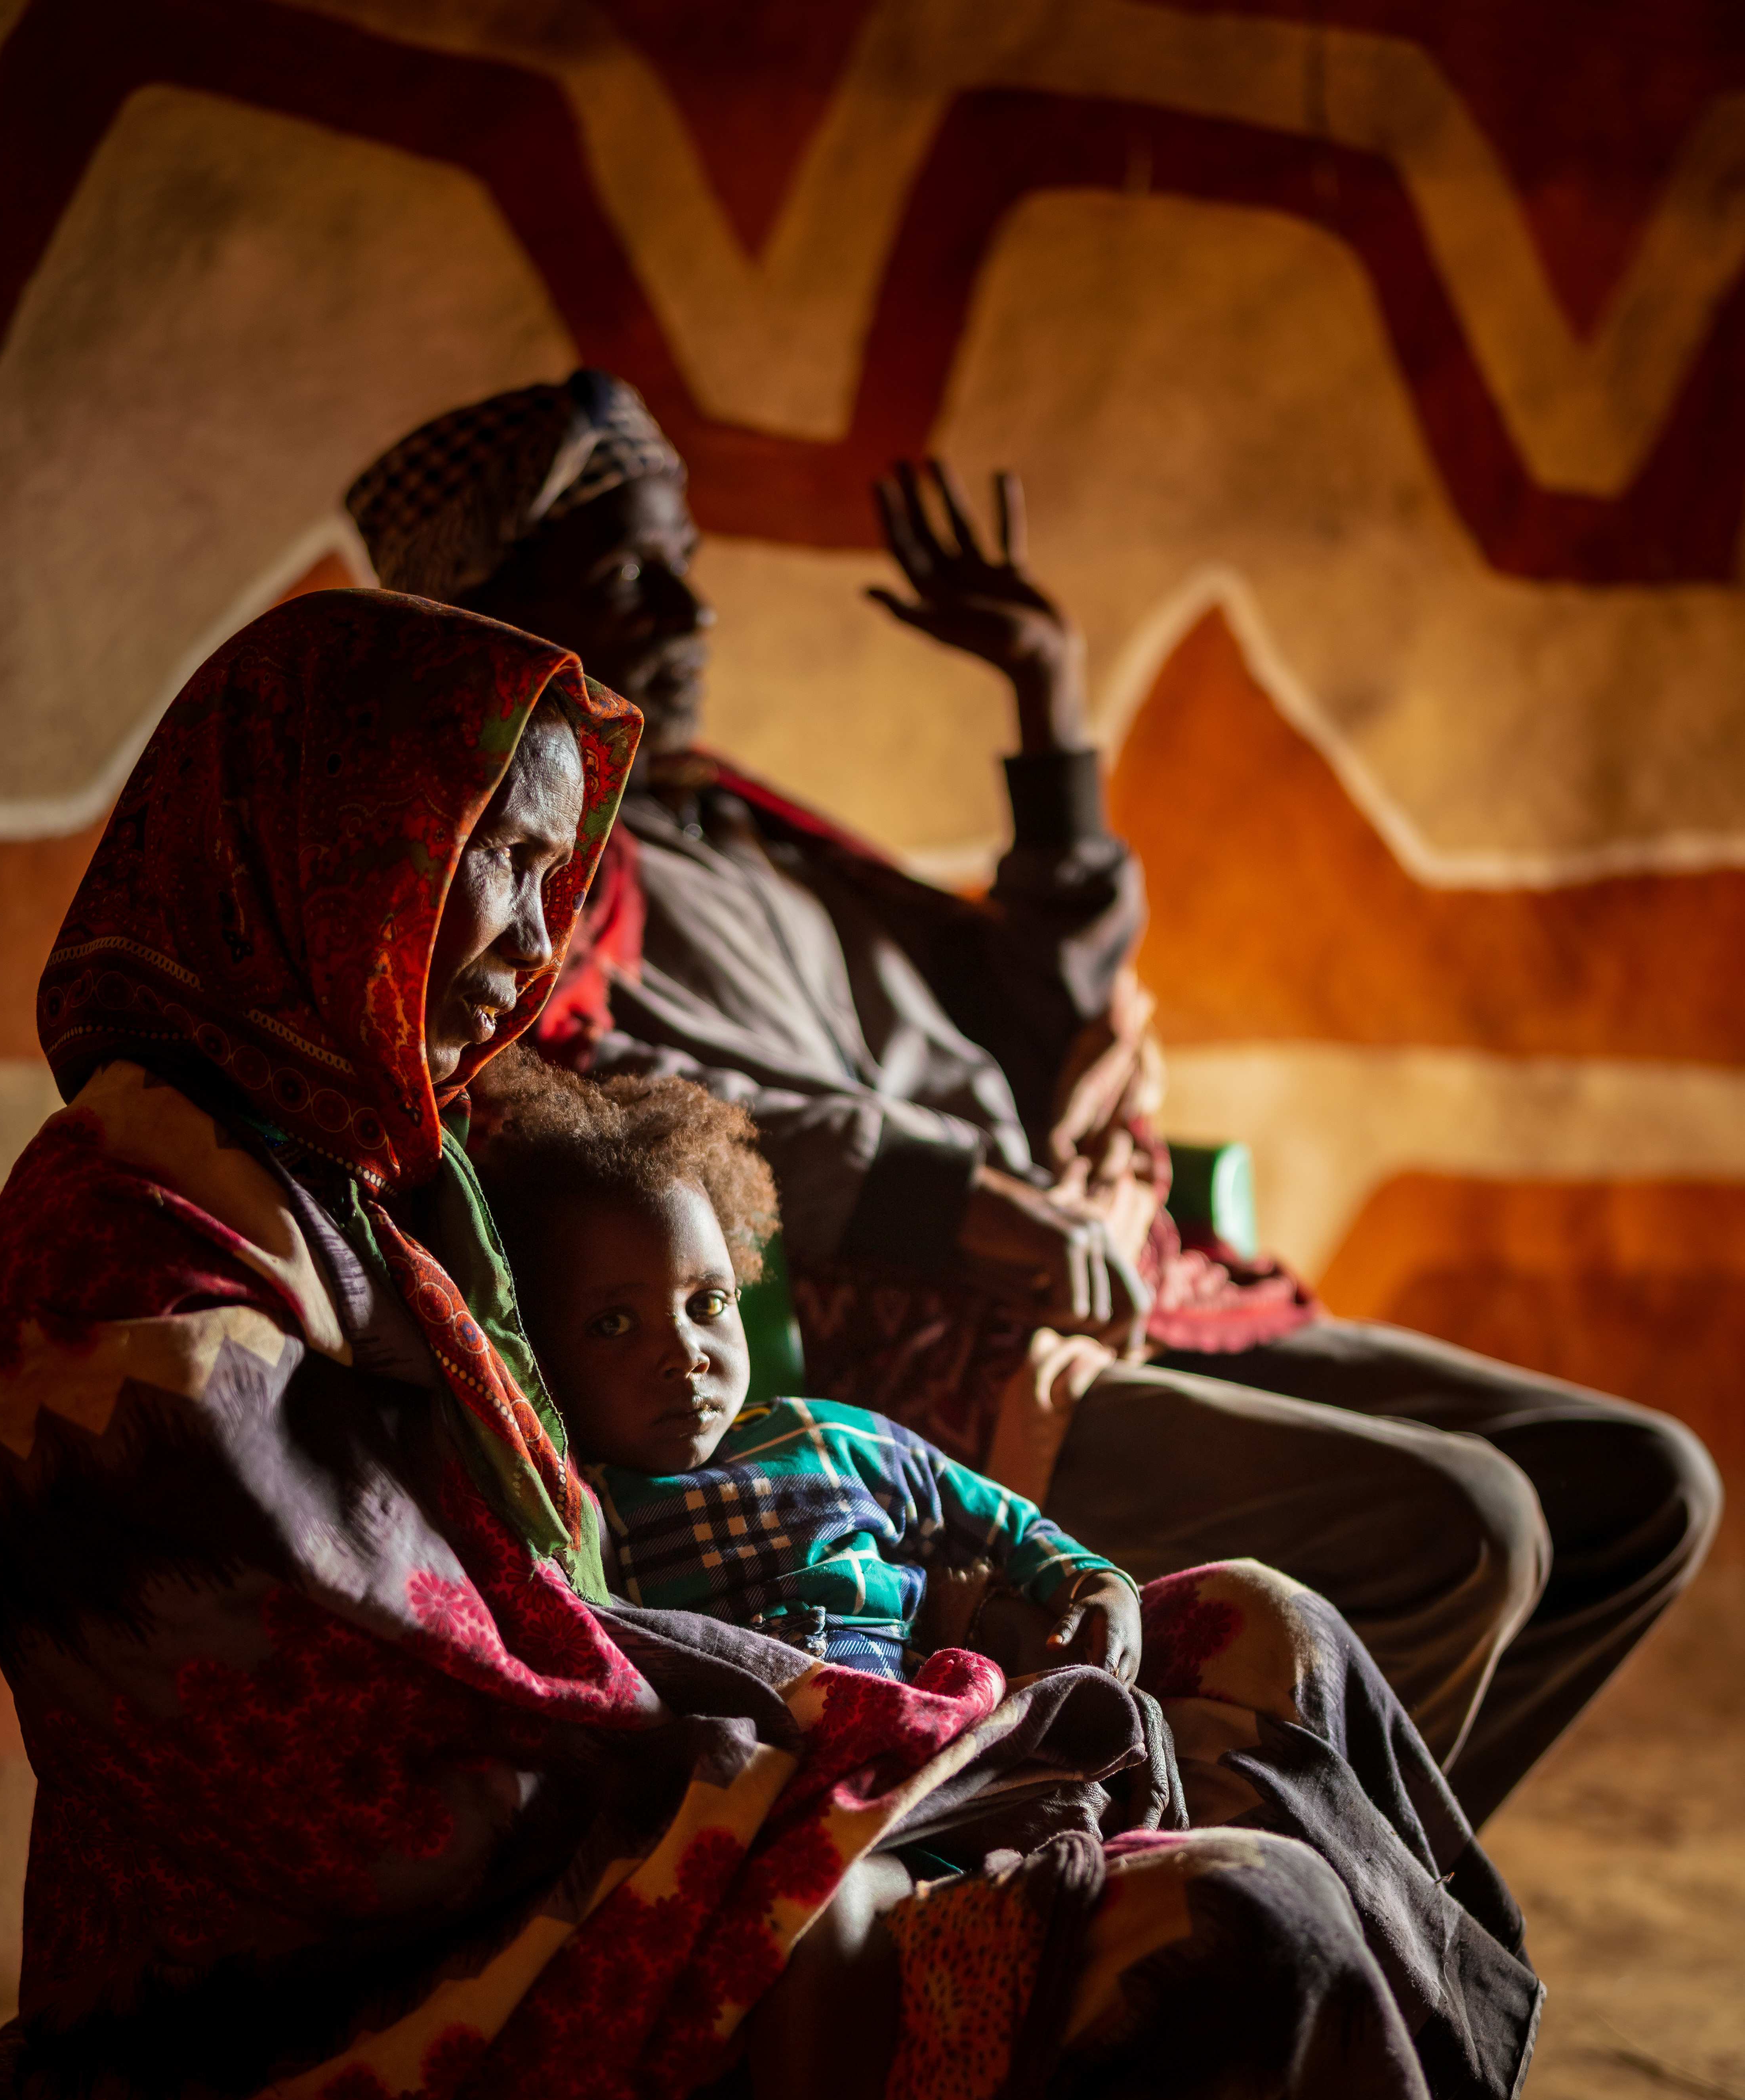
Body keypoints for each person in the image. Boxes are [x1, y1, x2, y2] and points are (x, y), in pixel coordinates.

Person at [0, 586, 1540, 2100]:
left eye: (542, 866)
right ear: (315, 843)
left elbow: (577, 1627)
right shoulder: (144, 1263)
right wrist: (845, 1727)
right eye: (476, 858)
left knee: (1245, 1635)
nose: (527, 929)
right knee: (1216, 1925)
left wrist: (906, 1698)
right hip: (354, 2023)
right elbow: (409, 1779)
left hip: (622, 1808)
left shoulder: (367, 1169)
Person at [347, 374, 1721, 1832]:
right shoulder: (518, 889)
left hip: (1116, 1274)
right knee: (1467, 1533)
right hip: (938, 1348)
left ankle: (1347, 1894)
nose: (693, 612)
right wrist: (959, 1194)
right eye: (632, 575)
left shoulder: (740, 826)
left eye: (687, 564)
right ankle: (1236, 1950)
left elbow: (1039, 1014)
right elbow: (593, 1112)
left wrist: (1046, 699)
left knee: (1641, 1487)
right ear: (496, 620)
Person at [473, 1053, 1143, 1689]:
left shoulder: (833, 1441)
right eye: (613, 1325)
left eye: (707, 1303)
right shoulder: (582, 1515)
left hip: (922, 1714)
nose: (685, 1353)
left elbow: (1011, 1529)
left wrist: (1097, 1586)